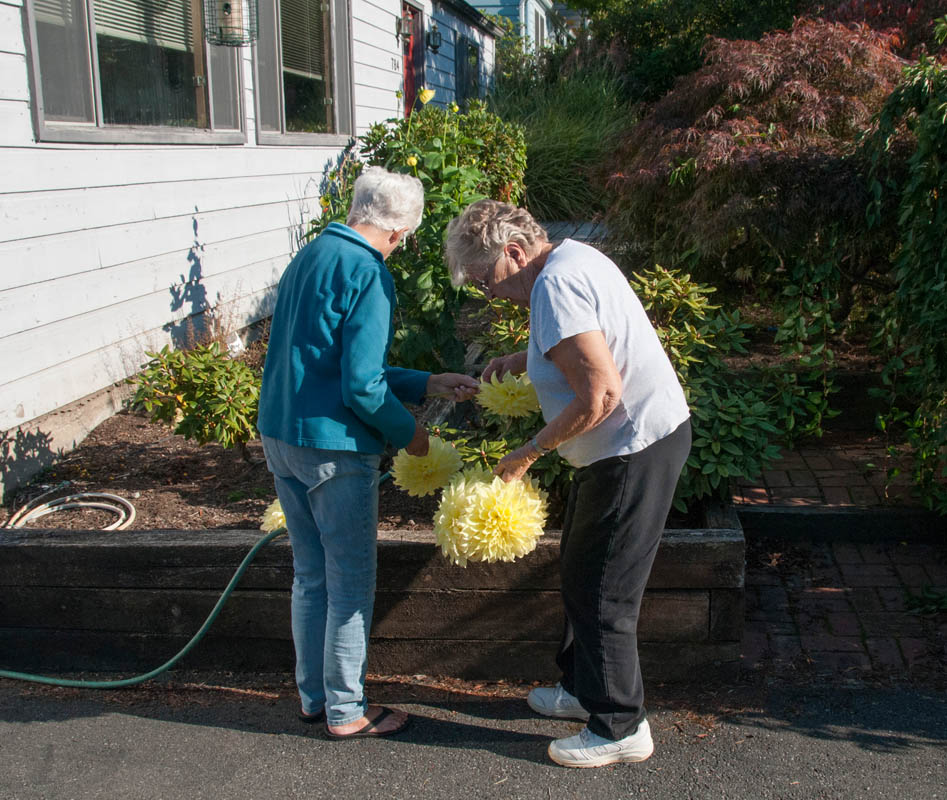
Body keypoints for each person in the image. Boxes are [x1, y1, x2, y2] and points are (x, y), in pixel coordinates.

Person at [445, 199, 692, 768]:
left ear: (513, 253)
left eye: (484, 281)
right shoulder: (571, 258)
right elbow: (585, 342)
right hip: (627, 445)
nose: (487, 294)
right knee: (582, 569)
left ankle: (619, 727)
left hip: (632, 447)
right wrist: (525, 357)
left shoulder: (553, 289)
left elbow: (601, 395)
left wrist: (527, 454)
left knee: (605, 588)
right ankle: (583, 691)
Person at [258, 167, 478, 740]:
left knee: (310, 577)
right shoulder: (370, 273)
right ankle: (346, 711)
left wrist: (428, 381)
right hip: (333, 447)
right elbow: (361, 386)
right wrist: (413, 434)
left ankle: (314, 699)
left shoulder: (311, 254)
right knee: (350, 583)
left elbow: (329, 360)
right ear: (401, 232)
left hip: (281, 433)